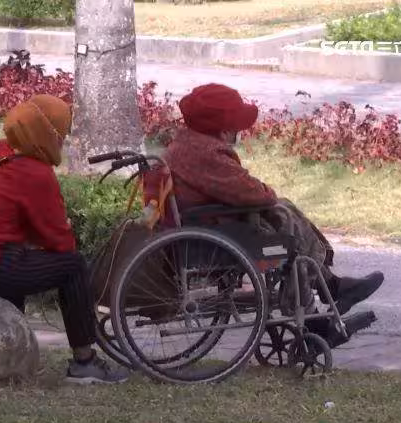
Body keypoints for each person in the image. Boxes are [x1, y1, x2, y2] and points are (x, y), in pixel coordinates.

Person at [0, 94, 129, 384]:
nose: (63, 141)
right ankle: (85, 362)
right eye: (61, 134)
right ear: (46, 133)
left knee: (15, 262)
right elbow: (61, 244)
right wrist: (56, 230)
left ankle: (8, 358)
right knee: (72, 266)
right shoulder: (35, 172)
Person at [162, 83, 384, 337]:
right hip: (215, 234)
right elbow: (253, 194)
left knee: (283, 209)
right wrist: (268, 194)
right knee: (285, 226)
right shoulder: (206, 153)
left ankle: (331, 286)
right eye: (236, 126)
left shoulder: (185, 144)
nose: (239, 131)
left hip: (204, 225)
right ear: (224, 129)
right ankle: (319, 307)